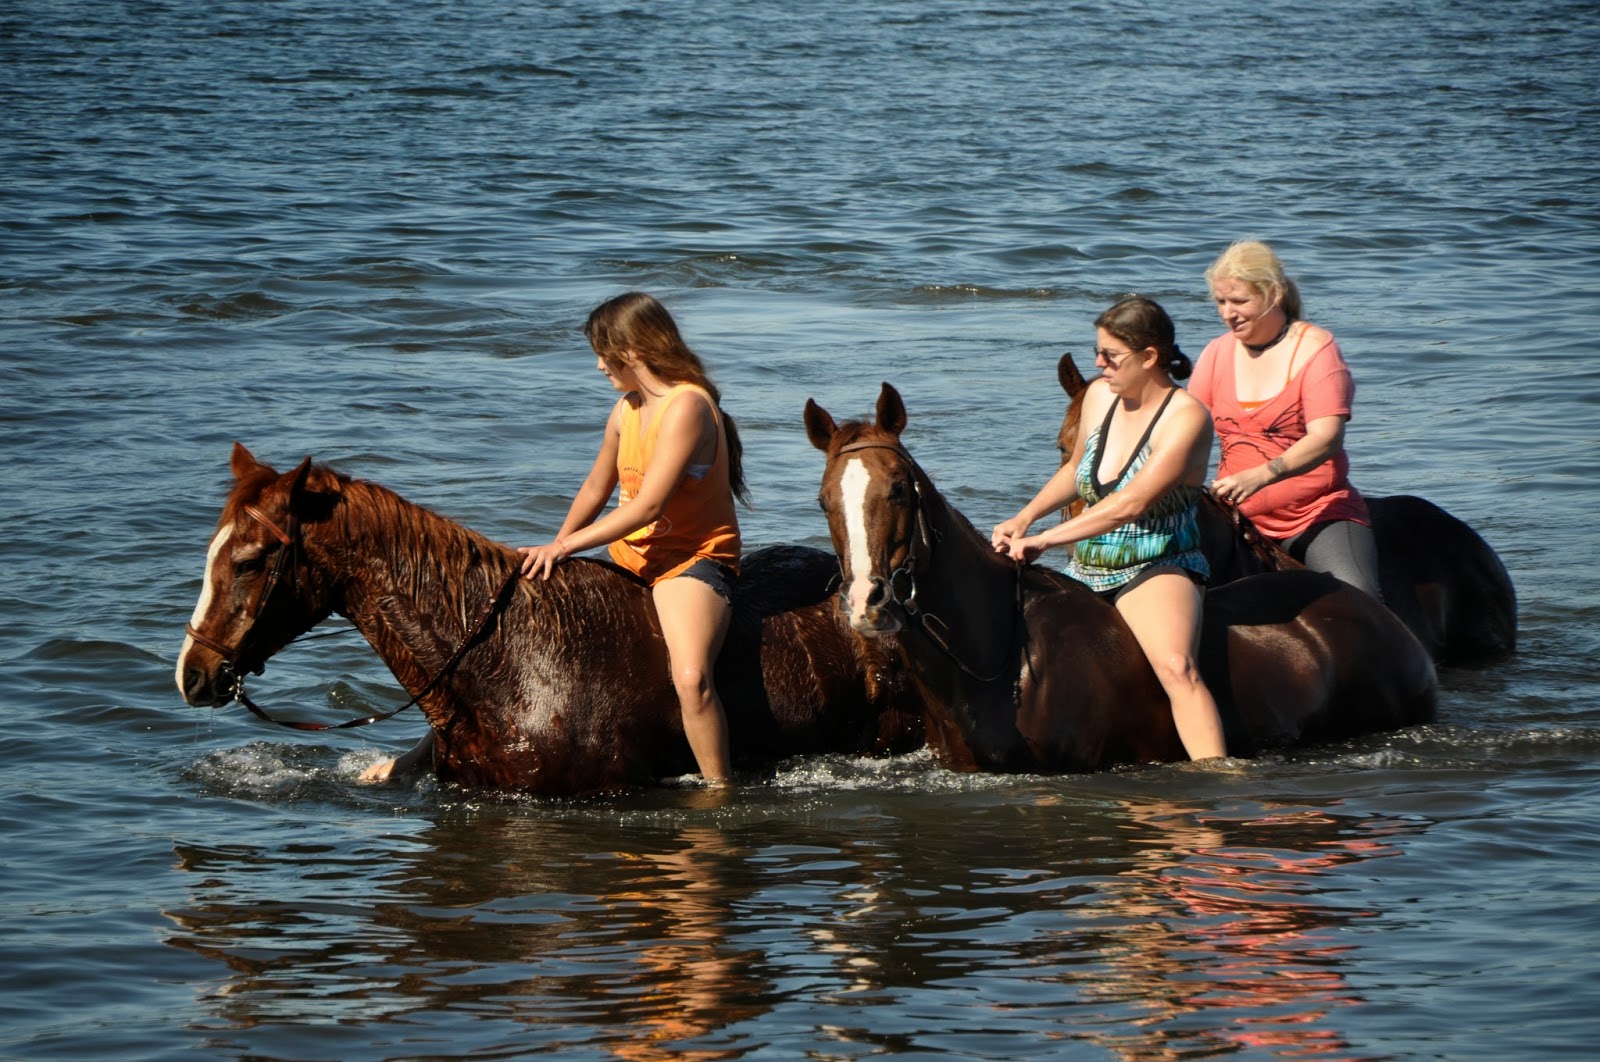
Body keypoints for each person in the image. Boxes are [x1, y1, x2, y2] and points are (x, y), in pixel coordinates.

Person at [362, 292, 748, 786]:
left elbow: (647, 506)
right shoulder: (625, 409)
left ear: (631, 350)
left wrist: (567, 548)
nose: (598, 365)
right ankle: (420, 756)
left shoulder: (687, 406)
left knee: (691, 680)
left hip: (689, 563)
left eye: (602, 351)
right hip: (629, 560)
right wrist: (553, 549)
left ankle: (720, 791)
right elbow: (595, 488)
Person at [992, 297, 1227, 762]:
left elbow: (1130, 504)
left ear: (1150, 357)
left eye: (1110, 355)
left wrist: (1043, 540)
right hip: (1086, 563)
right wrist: (1024, 518)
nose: (1099, 364)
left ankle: (1219, 777)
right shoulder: (1099, 396)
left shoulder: (1188, 417)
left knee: (1178, 667)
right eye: (1098, 352)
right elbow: (1076, 470)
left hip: (1157, 562)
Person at [1191, 240, 1381, 599]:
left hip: (1315, 515)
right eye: (1221, 302)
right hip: (1235, 517)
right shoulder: (1216, 353)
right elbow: (1186, 427)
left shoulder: (1317, 349)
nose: (1228, 313)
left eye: (1240, 301)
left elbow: (1327, 438)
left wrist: (1263, 475)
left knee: (1360, 601)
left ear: (1274, 294)